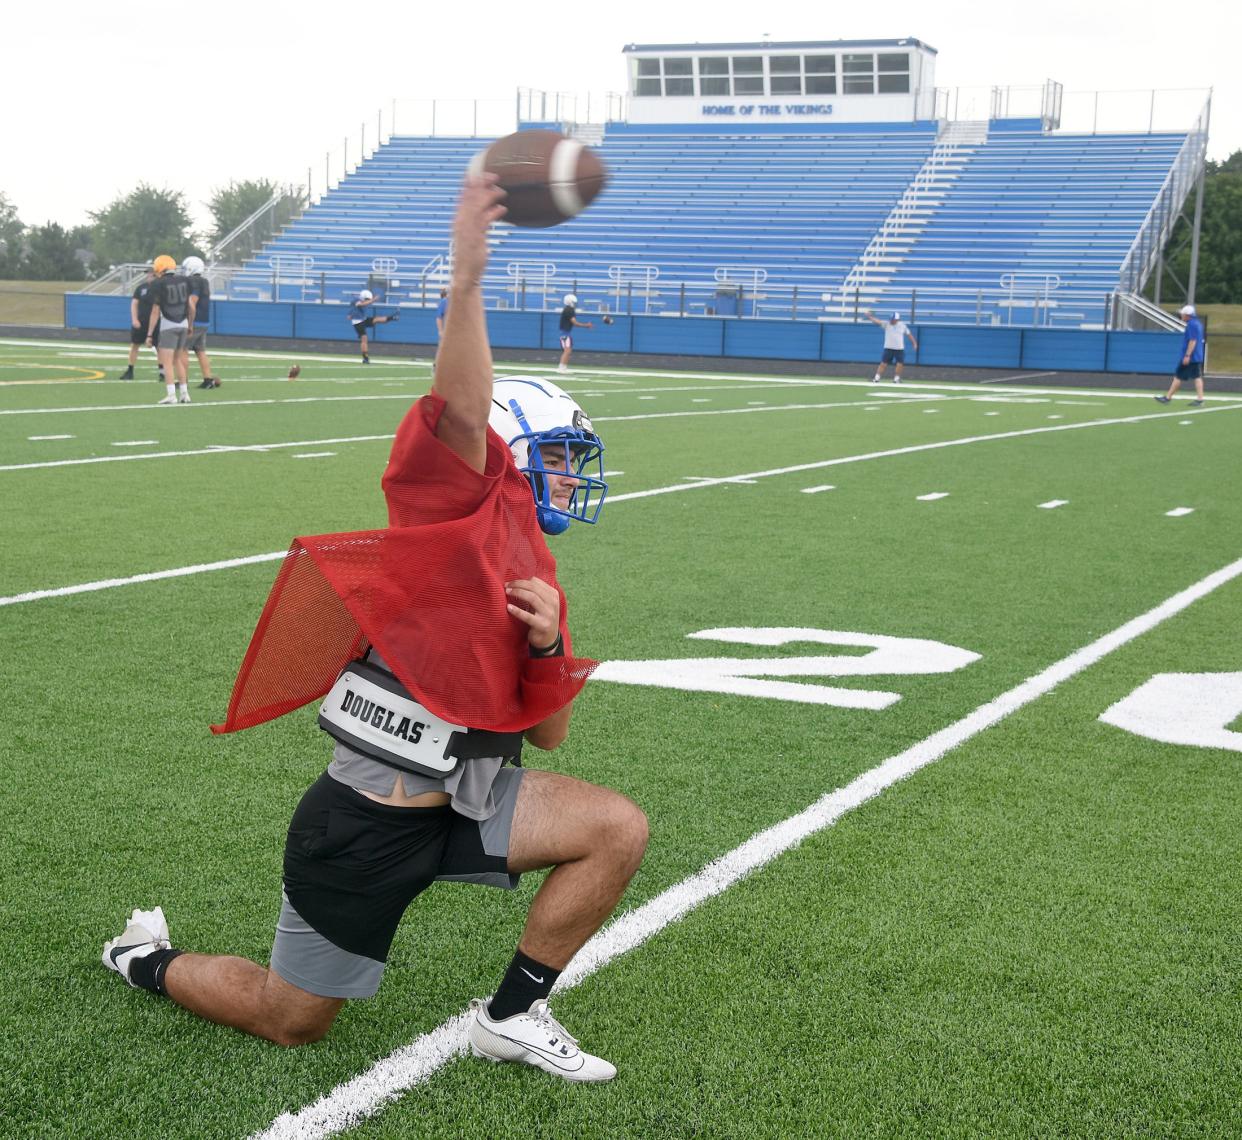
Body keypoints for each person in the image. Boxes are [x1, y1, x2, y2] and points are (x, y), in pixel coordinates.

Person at [102, 175, 645, 1083]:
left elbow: (547, 733)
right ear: (506, 449)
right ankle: (144, 959)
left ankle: (512, 1014)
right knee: (292, 1021)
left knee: (616, 828)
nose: (569, 476)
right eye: (555, 455)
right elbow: (461, 403)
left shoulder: (539, 570)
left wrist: (550, 644)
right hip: (364, 822)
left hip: (472, 799)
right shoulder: (449, 503)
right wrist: (467, 279)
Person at [146, 254, 195, 404]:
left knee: (167, 362)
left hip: (168, 323)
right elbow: (191, 307)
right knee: (177, 360)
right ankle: (185, 394)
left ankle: (171, 395)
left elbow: (155, 311)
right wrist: (190, 324)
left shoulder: (158, 284)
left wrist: (149, 334)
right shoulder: (185, 281)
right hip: (183, 323)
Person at [180, 256, 220, 390]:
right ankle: (208, 380)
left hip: (195, 320)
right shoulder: (204, 281)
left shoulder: (193, 282)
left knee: (182, 349)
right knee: (200, 350)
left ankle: (183, 380)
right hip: (204, 321)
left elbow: (192, 301)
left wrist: (188, 322)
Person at [1155, 304, 1206, 406]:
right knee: (1196, 376)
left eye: (1182, 314)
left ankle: (1168, 398)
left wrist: (1187, 355)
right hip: (1196, 356)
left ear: (1187, 315)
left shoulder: (1192, 324)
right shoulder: (1197, 323)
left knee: (1178, 376)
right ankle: (1200, 399)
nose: (1181, 315)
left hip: (1191, 357)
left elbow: (1192, 341)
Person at [119, 268, 163, 382]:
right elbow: (134, 304)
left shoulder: (159, 288)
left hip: (155, 322)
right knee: (135, 345)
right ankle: (130, 370)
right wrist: (134, 319)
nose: (148, 276)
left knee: (159, 347)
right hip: (141, 321)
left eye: (150, 273)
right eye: (148, 274)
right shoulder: (141, 288)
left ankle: (162, 372)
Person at [349, 288, 399, 364]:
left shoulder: (361, 301)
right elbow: (361, 304)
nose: (367, 300)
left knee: (376, 319)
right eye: (366, 299)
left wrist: (350, 315)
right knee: (364, 339)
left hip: (363, 319)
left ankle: (393, 318)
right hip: (358, 322)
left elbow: (352, 311)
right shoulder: (356, 300)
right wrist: (373, 300)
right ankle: (365, 358)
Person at [866, 310, 918, 384]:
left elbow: (909, 334)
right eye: (891, 319)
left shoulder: (902, 325)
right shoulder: (887, 324)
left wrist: (914, 343)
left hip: (899, 348)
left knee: (900, 364)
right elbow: (878, 321)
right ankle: (876, 378)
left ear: (897, 319)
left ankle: (896, 379)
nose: (891, 320)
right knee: (883, 364)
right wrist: (870, 317)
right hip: (888, 348)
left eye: (893, 319)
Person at [557, 293, 593, 374]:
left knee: (568, 351)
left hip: (564, 332)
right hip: (565, 333)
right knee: (567, 351)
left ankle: (563, 367)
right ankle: (562, 367)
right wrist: (586, 325)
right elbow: (575, 322)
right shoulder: (569, 310)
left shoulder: (567, 309)